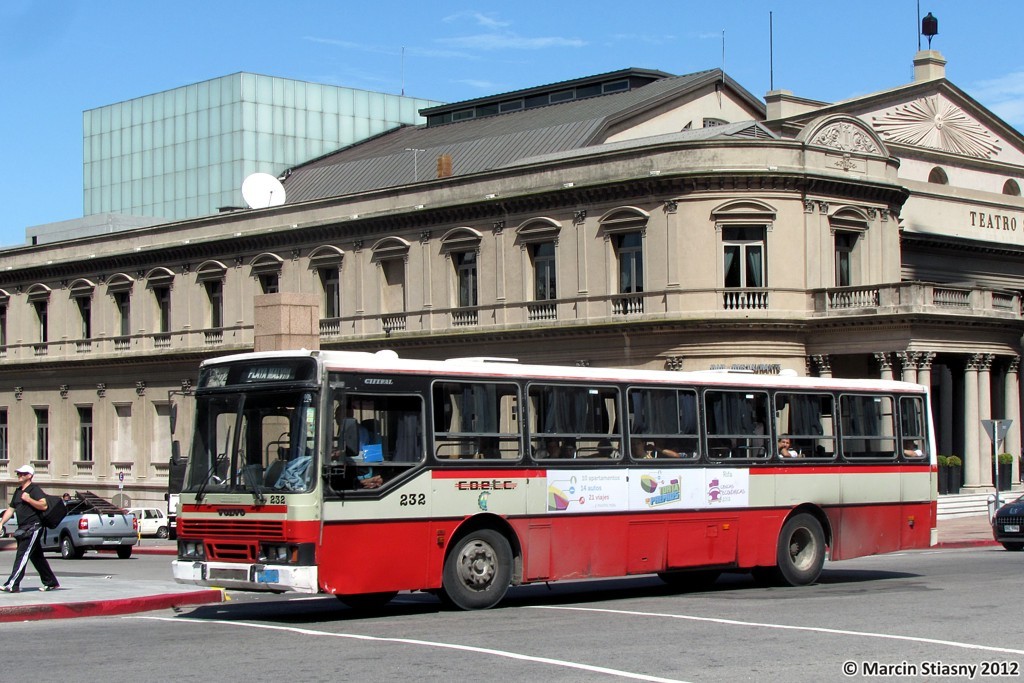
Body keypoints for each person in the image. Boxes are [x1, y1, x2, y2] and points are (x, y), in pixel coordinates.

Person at [0, 464, 59, 593]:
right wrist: (1, 523)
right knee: (36, 557)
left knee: (22, 555)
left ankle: (12, 584)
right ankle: (51, 582)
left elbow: (43, 505)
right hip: (23, 528)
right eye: (18, 474)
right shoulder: (18, 491)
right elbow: (11, 509)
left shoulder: (34, 490)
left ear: (29, 476)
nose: (19, 476)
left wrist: (29, 499)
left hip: (33, 527)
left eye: (22, 474)